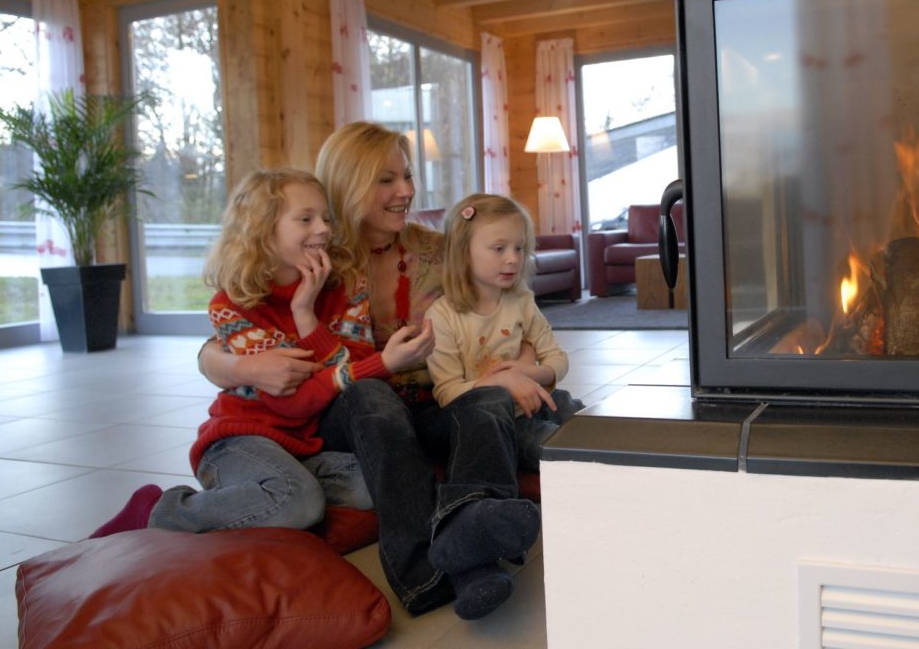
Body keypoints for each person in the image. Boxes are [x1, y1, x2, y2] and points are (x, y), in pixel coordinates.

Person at [195, 122, 540, 621]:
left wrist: (523, 360)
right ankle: (423, 572)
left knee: (495, 408)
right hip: (350, 410)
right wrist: (234, 363)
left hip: (431, 401)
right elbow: (225, 344)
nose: (405, 191)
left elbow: (512, 304)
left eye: (407, 176)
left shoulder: (438, 251)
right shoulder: (320, 261)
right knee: (372, 400)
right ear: (349, 185)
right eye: (385, 180)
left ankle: (473, 541)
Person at [91, 169, 383, 539]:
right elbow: (288, 395)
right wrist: (315, 339)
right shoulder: (231, 304)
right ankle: (156, 510)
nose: (323, 229)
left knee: (377, 484)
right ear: (263, 229)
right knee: (299, 503)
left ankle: (257, 494)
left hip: (303, 445)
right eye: (305, 219)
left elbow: (358, 374)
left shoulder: (347, 285)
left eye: (326, 218)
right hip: (239, 439)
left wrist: (305, 314)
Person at [426, 193, 581, 472]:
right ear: (463, 251)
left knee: (587, 420)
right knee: (553, 444)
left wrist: (534, 373)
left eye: (519, 248)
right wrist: (503, 381)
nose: (513, 259)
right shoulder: (442, 316)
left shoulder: (521, 300)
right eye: (499, 249)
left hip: (537, 401)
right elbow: (448, 394)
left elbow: (557, 358)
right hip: (497, 423)